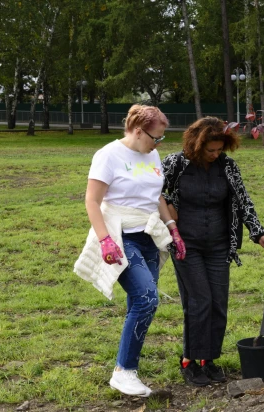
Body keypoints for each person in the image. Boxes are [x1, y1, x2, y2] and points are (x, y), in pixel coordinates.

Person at [74, 105, 186, 397]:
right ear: (138, 131)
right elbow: (91, 200)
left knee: (140, 301)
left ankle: (128, 366)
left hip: (149, 234)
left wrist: (172, 227)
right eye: (156, 137)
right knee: (147, 299)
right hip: (121, 237)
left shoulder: (152, 154)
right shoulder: (108, 155)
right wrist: (104, 240)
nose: (159, 143)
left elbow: (156, 195)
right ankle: (124, 372)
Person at [161, 116, 264, 386]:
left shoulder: (228, 167)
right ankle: (189, 359)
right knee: (199, 301)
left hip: (219, 245)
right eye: (209, 150)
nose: (215, 154)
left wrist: (258, 234)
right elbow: (153, 194)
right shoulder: (175, 164)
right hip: (184, 244)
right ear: (196, 144)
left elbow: (244, 200)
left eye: (219, 149)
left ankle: (208, 359)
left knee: (218, 303)